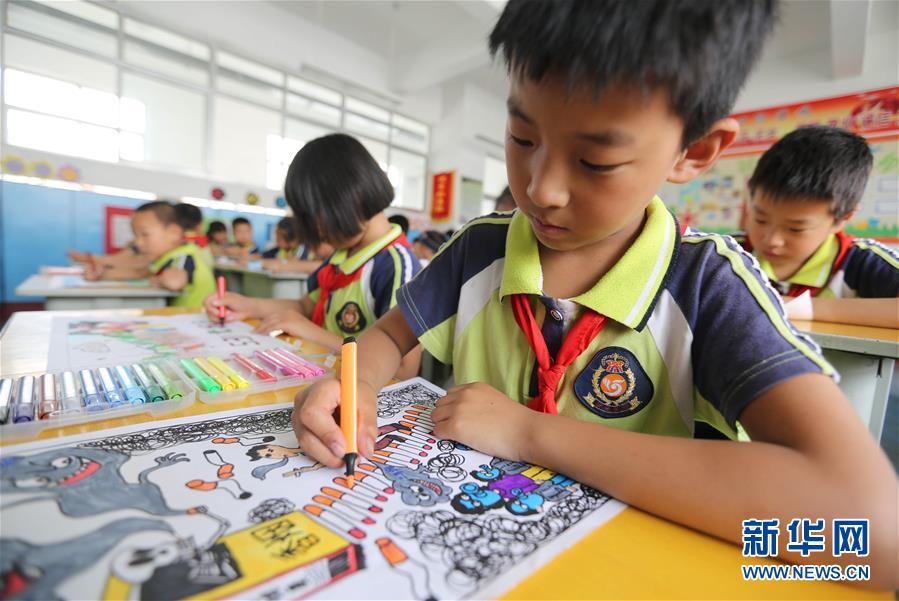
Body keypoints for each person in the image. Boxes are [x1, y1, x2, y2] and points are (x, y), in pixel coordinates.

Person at [289, 1, 898, 585]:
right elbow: (388, 335)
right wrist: (357, 385)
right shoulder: (480, 250)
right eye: (522, 138)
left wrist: (530, 434)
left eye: (596, 161)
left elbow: (874, 531)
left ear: (695, 151)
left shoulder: (710, 286)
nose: (542, 188)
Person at [204, 134, 423, 378]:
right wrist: (249, 305)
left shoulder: (396, 265)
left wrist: (310, 331)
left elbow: (404, 369)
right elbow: (305, 306)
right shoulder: (341, 255)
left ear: (352, 198)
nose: (316, 232)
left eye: (318, 218)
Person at [735, 125, 898, 328]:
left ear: (843, 218)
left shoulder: (860, 262)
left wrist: (799, 308)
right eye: (760, 219)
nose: (772, 240)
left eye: (796, 229)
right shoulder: (726, 253)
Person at [87, 201, 214, 307]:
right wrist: (101, 274)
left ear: (174, 233)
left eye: (144, 234)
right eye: (136, 235)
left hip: (196, 319)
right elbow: (140, 273)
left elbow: (175, 282)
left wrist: (159, 278)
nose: (138, 242)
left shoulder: (184, 255)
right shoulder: (164, 257)